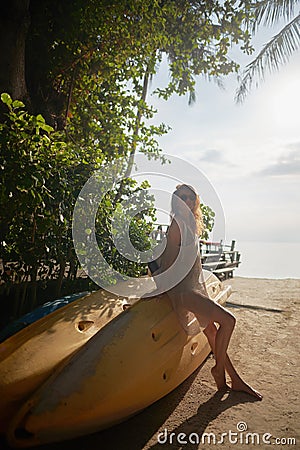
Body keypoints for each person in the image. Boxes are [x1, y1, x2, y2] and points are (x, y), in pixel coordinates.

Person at [153, 184, 262, 400]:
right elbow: (165, 262)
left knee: (212, 332)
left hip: (194, 287)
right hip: (183, 292)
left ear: (195, 202)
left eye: (190, 197)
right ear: (175, 201)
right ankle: (218, 369)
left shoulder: (190, 224)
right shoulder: (176, 225)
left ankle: (235, 379)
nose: (186, 200)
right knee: (229, 321)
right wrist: (161, 289)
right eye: (181, 197)